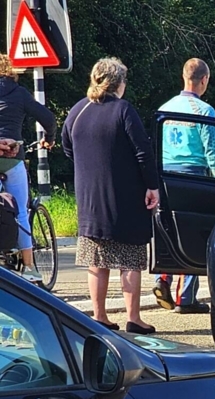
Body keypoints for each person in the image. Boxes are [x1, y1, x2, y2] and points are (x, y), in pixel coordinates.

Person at [62, 57, 159, 334]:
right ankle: (133, 317)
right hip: (124, 197)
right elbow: (143, 151)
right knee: (129, 257)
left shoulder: (78, 110)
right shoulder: (123, 110)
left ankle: (100, 315)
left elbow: (68, 147)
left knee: (96, 258)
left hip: (89, 198)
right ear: (119, 83)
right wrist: (152, 186)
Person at [153, 58, 215, 314]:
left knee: (167, 229)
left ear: (183, 76)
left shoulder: (165, 108)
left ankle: (162, 278)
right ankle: (185, 298)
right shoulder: (204, 111)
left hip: (165, 175)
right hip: (193, 175)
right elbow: (213, 151)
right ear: (204, 80)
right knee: (192, 231)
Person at [0, 53, 57, 282]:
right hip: (13, 157)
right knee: (21, 211)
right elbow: (48, 118)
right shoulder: (19, 93)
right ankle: (30, 267)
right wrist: (49, 138)